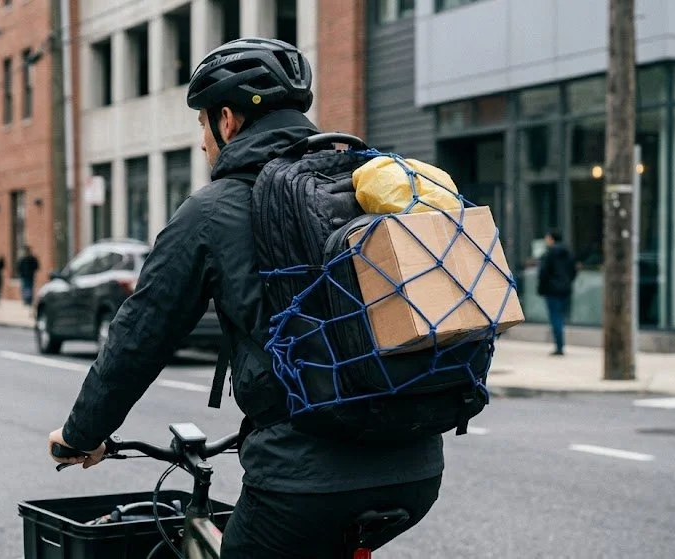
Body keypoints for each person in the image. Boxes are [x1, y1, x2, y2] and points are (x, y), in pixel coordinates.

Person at [48, 38, 443, 557]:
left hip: (300, 484)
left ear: (227, 120)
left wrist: (81, 435)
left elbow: (139, 337)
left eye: (202, 128)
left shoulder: (212, 211)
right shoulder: (363, 185)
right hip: (417, 469)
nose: (203, 145)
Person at [537, 229, 577, 356]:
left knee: (555, 318)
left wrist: (542, 287)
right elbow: (574, 271)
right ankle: (560, 344)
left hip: (552, 290)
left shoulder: (549, 254)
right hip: (565, 289)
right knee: (560, 317)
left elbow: (544, 273)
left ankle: (559, 346)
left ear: (551, 239)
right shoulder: (568, 253)